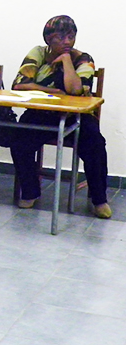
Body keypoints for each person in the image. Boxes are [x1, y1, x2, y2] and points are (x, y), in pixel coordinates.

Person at [10, 15, 111, 219]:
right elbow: (20, 84)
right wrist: (54, 92)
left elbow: (75, 90)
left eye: (71, 37)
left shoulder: (83, 59)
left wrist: (66, 61)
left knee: (96, 144)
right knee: (19, 139)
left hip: (76, 116)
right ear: (48, 39)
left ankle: (99, 199)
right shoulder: (38, 53)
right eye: (59, 38)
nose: (66, 42)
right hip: (41, 113)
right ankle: (30, 192)